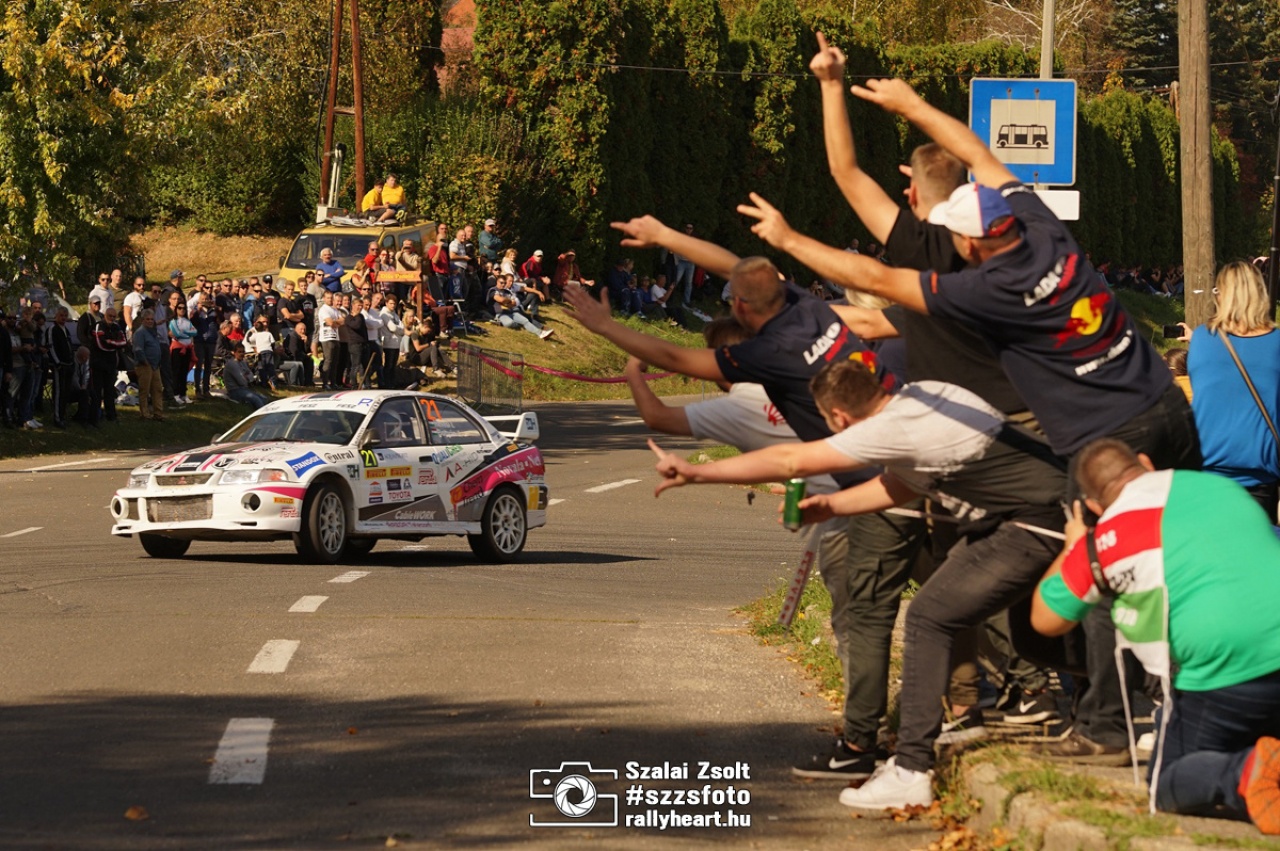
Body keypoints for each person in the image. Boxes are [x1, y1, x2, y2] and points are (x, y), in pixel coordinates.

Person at [740, 74, 1201, 763]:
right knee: (1180, 559)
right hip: (1166, 405)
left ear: (970, 243)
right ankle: (1185, 698)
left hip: (1095, 440)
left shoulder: (983, 290)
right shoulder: (1044, 226)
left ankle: (1108, 719)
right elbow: (982, 155)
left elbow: (876, 274)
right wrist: (914, 106)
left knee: (1098, 570)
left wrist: (787, 238)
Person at [566, 232, 924, 782]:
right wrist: (666, 235)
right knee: (947, 595)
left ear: (736, 313)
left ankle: (862, 740)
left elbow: (670, 394)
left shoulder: (752, 377)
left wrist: (613, 340)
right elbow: (739, 265)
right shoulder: (814, 315)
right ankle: (980, 701)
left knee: (862, 620)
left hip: (850, 502)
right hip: (906, 468)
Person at [652, 358, 1067, 810]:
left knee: (929, 616)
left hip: (1035, 521)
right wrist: (833, 505)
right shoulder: (920, 396)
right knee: (1034, 633)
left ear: (839, 418)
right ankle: (1115, 694)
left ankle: (911, 768)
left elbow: (792, 458)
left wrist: (697, 472)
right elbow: (898, 485)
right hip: (1041, 509)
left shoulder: (888, 428)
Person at [1032, 439, 1280, 832]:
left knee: (1165, 783)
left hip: (1227, 675)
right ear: (1145, 463)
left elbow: (1046, 619)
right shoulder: (1219, 486)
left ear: (1094, 506)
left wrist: (1074, 547)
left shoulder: (1102, 541)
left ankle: (1244, 771)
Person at [1182, 261, 1280, 519]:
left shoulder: (1203, 338)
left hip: (1207, 468)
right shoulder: (1277, 343)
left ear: (1222, 295)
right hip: (1261, 471)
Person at [132, 309, 166, 422]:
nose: (150, 321)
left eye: (152, 319)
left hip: (155, 366)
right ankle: (144, 414)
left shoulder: (153, 331)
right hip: (144, 365)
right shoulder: (140, 333)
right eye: (148, 319)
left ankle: (158, 413)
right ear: (143, 320)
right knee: (144, 391)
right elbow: (138, 350)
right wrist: (146, 362)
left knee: (157, 389)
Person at [404, 311, 454, 378]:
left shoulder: (426, 334)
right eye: (428, 331)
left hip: (423, 356)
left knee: (436, 347)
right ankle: (436, 369)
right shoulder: (415, 334)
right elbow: (418, 348)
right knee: (432, 347)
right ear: (424, 327)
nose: (428, 333)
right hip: (416, 358)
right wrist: (429, 344)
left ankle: (452, 367)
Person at [168, 300, 196, 405]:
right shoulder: (173, 321)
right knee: (176, 372)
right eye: (179, 308)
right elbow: (175, 333)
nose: (182, 310)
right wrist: (186, 334)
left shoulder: (187, 322)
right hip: (177, 348)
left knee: (184, 371)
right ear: (176, 309)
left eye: (184, 308)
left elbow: (194, 332)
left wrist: (183, 333)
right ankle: (176, 394)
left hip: (188, 347)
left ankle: (183, 393)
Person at [223, 344, 269, 409]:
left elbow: (251, 376)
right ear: (234, 353)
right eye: (239, 352)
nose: (242, 354)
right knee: (257, 400)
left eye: (243, 352)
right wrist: (247, 377)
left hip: (245, 388)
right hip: (235, 391)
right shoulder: (232, 364)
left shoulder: (243, 362)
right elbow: (242, 382)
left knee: (265, 399)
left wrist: (246, 377)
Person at [316, 290, 344, 390]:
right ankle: (325, 382)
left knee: (335, 362)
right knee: (328, 360)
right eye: (328, 298)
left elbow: (342, 321)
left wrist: (334, 322)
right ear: (324, 298)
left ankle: (333, 382)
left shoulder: (335, 310)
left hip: (336, 337)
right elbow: (330, 322)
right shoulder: (323, 310)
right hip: (327, 338)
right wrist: (334, 322)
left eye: (331, 298)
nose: (330, 300)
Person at [377, 294, 405, 388]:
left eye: (394, 304)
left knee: (393, 366)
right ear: (386, 303)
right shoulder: (384, 314)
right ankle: (387, 384)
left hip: (396, 343)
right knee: (388, 366)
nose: (393, 305)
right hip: (388, 343)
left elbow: (402, 327)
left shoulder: (394, 314)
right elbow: (392, 328)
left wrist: (399, 330)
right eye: (391, 303)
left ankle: (392, 384)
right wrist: (399, 330)